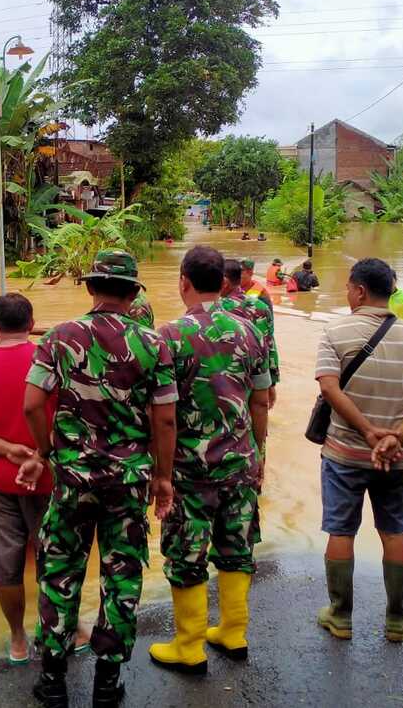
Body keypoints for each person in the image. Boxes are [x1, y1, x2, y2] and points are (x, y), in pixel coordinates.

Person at [18, 250, 177, 708]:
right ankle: (107, 684)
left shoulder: (60, 337)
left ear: (91, 288)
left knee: (59, 572)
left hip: (73, 480)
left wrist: (46, 451)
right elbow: (164, 421)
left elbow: (32, 403)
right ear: (133, 293)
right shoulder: (153, 343)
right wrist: (162, 479)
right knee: (122, 576)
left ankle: (52, 682)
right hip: (127, 484)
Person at [149, 246, 271, 675]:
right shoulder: (250, 331)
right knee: (237, 548)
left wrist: (160, 474)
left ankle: (189, 645)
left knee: (187, 553)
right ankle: (233, 632)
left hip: (189, 470)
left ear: (183, 280)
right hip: (241, 463)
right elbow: (261, 401)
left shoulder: (169, 336)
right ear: (223, 282)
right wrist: (259, 455)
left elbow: (161, 414)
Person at [0, 294, 90, 664]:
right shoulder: (53, 363)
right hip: (50, 476)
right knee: (57, 555)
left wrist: (6, 449)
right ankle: (67, 627)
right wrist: (39, 454)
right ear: (32, 324)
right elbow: (75, 417)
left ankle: (17, 638)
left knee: (4, 564)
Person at [314, 258, 403, 643]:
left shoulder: (336, 331)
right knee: (394, 531)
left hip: (345, 453)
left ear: (360, 290)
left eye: (348, 287)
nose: (347, 294)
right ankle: (396, 620)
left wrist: (366, 432)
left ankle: (340, 616)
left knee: (340, 530)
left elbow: (330, 388)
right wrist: (393, 437)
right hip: (397, 459)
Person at [220, 259, 279, 407]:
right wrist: (271, 381)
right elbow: (268, 343)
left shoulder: (215, 308)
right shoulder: (261, 306)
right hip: (255, 373)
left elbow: (268, 340)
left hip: (226, 377)